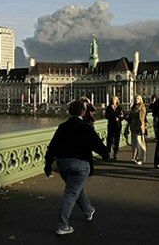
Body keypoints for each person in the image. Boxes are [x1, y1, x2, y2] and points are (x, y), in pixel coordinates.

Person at [44, 101, 108, 236]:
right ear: (83, 112)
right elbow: (96, 144)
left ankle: (88, 210)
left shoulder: (62, 127)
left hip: (63, 164)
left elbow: (52, 147)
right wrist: (105, 154)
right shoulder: (85, 127)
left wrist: (48, 164)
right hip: (80, 164)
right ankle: (62, 226)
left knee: (75, 188)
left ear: (69, 112)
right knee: (71, 193)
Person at [105, 96, 125, 160]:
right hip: (111, 125)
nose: (113, 101)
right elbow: (106, 116)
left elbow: (123, 115)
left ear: (117, 101)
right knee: (109, 139)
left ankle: (115, 153)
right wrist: (113, 117)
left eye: (115, 99)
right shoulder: (108, 108)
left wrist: (119, 118)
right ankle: (108, 152)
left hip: (117, 126)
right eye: (112, 99)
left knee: (117, 139)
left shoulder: (119, 108)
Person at [128, 95, 147, 165]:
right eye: (135, 98)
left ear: (140, 99)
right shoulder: (133, 107)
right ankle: (134, 157)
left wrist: (138, 127)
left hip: (139, 128)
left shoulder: (142, 107)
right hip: (133, 128)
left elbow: (141, 119)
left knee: (140, 144)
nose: (136, 99)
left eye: (138, 98)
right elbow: (130, 117)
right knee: (134, 144)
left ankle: (141, 159)